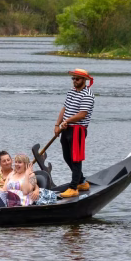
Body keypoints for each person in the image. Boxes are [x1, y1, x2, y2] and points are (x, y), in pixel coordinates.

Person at [54, 68, 95, 198]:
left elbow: (82, 115)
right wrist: (57, 124)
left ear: (84, 80)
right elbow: (64, 108)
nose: (74, 81)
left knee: (76, 159)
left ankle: (73, 187)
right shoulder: (71, 92)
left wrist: (67, 121)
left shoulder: (88, 95)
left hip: (78, 129)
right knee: (67, 156)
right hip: (66, 128)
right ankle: (82, 181)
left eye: (77, 79)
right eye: (73, 78)